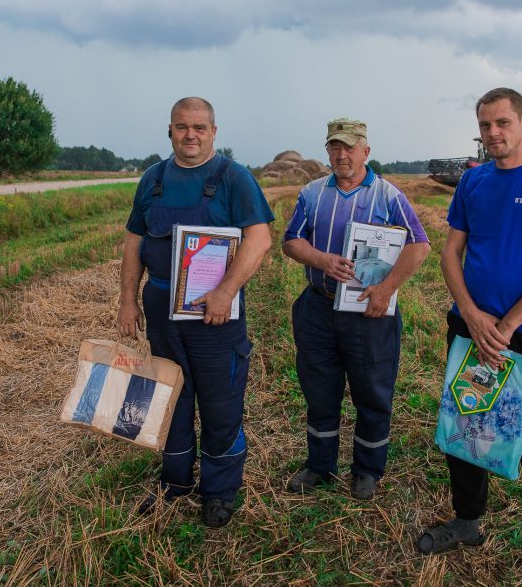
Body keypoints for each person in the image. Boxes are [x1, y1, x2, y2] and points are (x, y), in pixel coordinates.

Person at [414, 88, 522, 586]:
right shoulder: (472, 181)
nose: (494, 133)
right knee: (465, 428)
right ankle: (467, 523)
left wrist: (506, 327)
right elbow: (451, 253)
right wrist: (471, 314)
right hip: (471, 330)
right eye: (486, 125)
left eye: (503, 123)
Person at [116, 96, 274, 528]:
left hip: (215, 317)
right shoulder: (152, 179)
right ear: (170, 130)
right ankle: (175, 482)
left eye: (200, 127)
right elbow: (134, 242)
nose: (191, 135)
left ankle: (219, 491)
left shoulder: (233, 178)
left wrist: (225, 292)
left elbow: (259, 240)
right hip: (163, 313)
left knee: (220, 404)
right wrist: (128, 300)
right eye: (183, 127)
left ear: (214, 132)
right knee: (170, 398)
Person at [282, 118, 430, 500]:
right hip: (319, 308)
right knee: (319, 391)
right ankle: (320, 465)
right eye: (335, 147)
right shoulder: (312, 193)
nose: (342, 154)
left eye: (350, 147)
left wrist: (386, 289)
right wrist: (321, 260)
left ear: (366, 151)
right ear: (328, 150)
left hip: (369, 314)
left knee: (372, 392)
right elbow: (291, 242)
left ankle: (366, 470)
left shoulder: (388, 196)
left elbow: (419, 245)